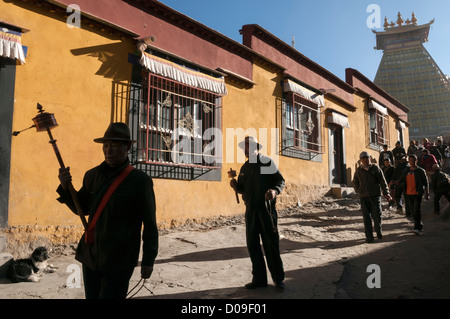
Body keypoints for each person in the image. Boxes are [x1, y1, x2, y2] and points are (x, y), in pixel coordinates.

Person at [57, 122, 158, 299]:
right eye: (106, 145)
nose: (108, 150)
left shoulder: (140, 182)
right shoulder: (92, 175)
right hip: (91, 256)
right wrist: (66, 188)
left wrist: (148, 260)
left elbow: (150, 224)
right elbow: (82, 209)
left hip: (119, 259)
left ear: (127, 147)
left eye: (115, 145)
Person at [230, 136, 285, 290]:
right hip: (251, 211)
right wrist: (235, 185)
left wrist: (274, 191)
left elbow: (280, 181)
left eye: (248, 147)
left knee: (270, 244)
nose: (246, 150)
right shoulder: (245, 168)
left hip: (266, 211)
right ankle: (259, 279)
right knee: (253, 245)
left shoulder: (267, 163)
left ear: (256, 148)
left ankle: (278, 279)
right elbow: (242, 189)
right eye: (244, 148)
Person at [352, 151, 392, 243]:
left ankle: (378, 231)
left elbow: (382, 181)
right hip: (364, 197)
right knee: (366, 218)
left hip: (375, 196)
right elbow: (355, 182)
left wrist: (386, 193)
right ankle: (369, 237)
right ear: (361, 160)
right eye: (363, 159)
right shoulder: (359, 170)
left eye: (367, 158)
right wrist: (358, 190)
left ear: (370, 159)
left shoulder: (375, 168)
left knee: (377, 216)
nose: (365, 161)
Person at [399, 154, 430, 234]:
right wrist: (393, 182)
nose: (412, 162)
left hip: (417, 193)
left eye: (413, 160)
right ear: (408, 161)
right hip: (408, 194)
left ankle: (417, 228)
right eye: (410, 160)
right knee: (413, 212)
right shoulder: (406, 171)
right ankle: (420, 225)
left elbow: (426, 183)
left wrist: (427, 193)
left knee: (416, 210)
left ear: (417, 161)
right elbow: (401, 180)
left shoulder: (420, 171)